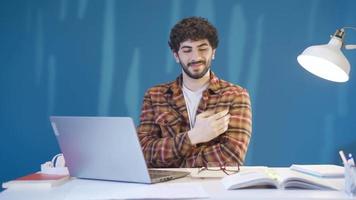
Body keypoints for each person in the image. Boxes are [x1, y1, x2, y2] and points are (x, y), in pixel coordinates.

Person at [137, 16, 252, 168]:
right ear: (176, 55)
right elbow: (144, 152)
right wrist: (193, 136)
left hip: (215, 189)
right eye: (187, 50)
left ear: (213, 52)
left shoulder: (235, 95)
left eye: (203, 48)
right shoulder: (155, 95)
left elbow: (232, 155)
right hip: (165, 190)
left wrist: (174, 163)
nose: (196, 57)